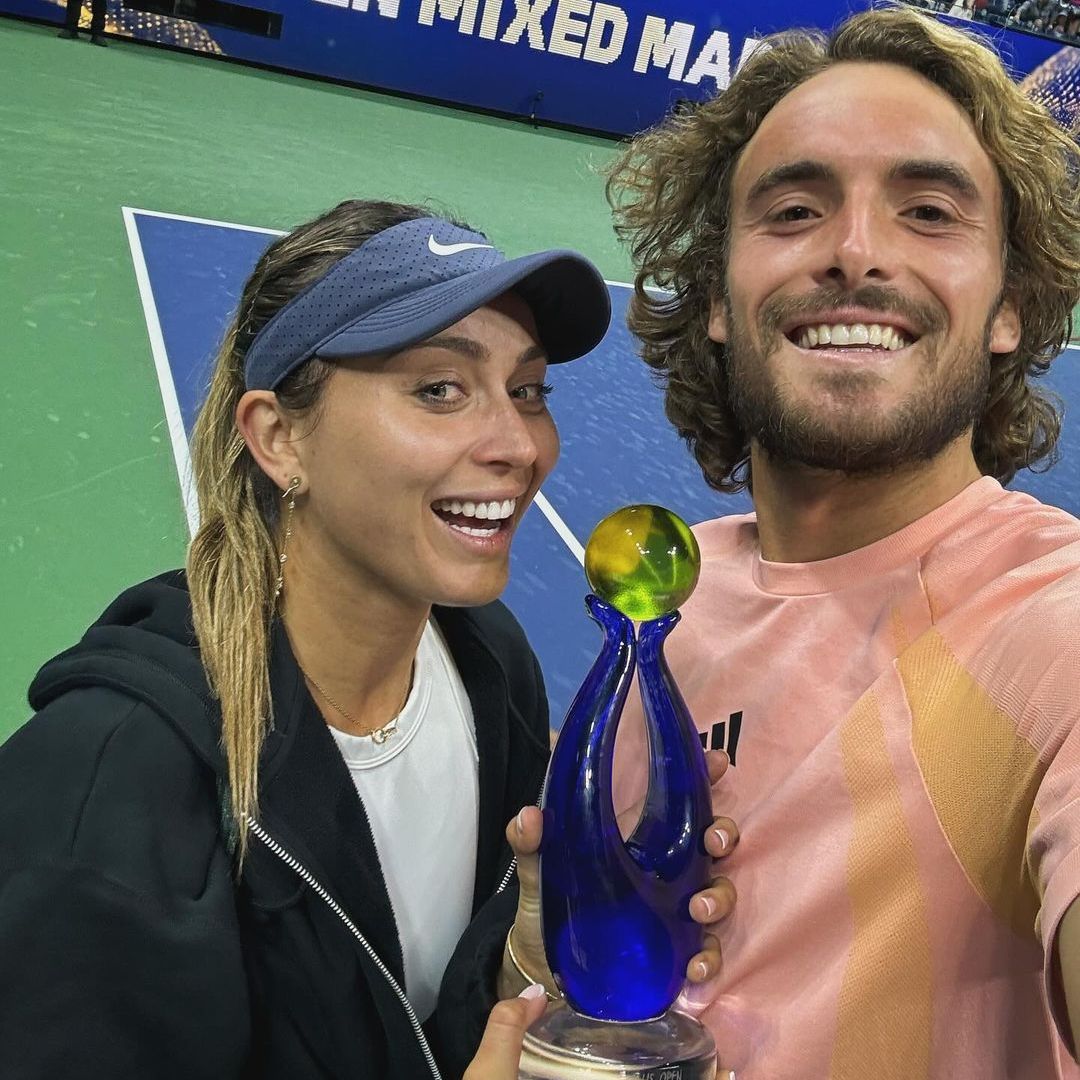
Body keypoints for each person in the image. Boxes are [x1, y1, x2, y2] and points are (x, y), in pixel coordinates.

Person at [0, 198, 735, 1079]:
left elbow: (434, 1030)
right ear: (278, 437)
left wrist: (529, 961)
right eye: (438, 389)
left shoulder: (491, 666)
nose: (518, 443)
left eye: (528, 390)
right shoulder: (105, 790)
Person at [603, 6, 1080, 1078]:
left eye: (928, 211)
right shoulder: (666, 600)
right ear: (719, 295)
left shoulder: (1052, 630)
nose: (856, 254)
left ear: (1011, 303)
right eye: (794, 210)